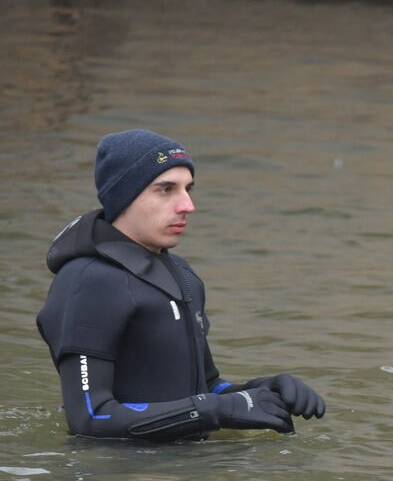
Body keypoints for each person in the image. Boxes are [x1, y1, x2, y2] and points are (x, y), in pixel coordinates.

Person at [37, 129, 325, 441]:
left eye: (188, 189)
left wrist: (261, 390)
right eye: (166, 190)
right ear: (124, 196)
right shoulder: (88, 281)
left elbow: (208, 386)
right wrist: (216, 410)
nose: (187, 205)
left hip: (188, 476)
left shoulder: (182, 274)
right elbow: (90, 418)